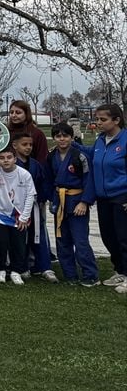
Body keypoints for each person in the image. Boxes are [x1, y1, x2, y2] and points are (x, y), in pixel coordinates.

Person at [47, 123, 98, 286]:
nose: (62, 139)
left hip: (77, 201)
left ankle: (91, 275)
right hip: (60, 202)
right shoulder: (51, 156)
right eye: (58, 136)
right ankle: (70, 275)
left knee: (80, 240)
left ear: (71, 137)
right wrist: (52, 199)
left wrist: (84, 202)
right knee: (62, 240)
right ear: (54, 138)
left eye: (65, 136)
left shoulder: (80, 155)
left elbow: (89, 180)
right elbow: (48, 180)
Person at [0, 145, 36, 285]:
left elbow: (30, 196)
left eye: (9, 157)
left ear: (15, 159)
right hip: (1, 214)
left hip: (19, 215)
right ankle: (1, 270)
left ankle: (16, 271)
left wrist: (24, 217)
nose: (5, 161)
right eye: (2, 158)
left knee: (19, 244)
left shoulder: (24, 174)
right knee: (1, 243)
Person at [88, 103, 127, 293]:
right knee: (108, 236)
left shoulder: (125, 140)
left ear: (116, 120)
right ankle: (120, 270)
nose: (99, 123)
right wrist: (71, 144)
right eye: (97, 119)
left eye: (103, 119)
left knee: (124, 237)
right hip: (103, 198)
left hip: (122, 196)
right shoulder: (100, 141)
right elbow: (92, 156)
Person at [12, 132, 56, 282]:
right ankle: (22, 267)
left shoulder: (36, 164)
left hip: (34, 206)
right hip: (16, 208)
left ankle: (44, 267)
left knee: (38, 235)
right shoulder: (10, 164)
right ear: (15, 146)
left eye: (30, 145)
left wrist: (43, 198)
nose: (28, 147)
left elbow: (43, 183)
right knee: (20, 237)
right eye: (24, 144)